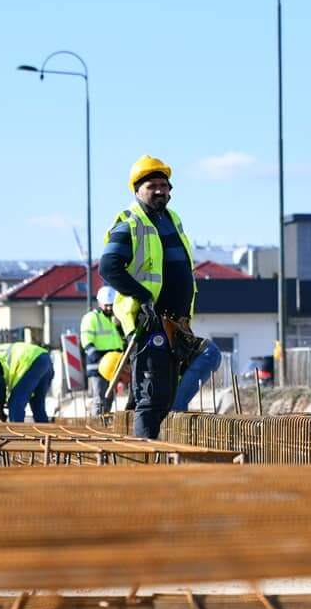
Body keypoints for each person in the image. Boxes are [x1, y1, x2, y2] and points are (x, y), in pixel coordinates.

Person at [100, 155, 221, 438]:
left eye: (164, 186)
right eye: (152, 186)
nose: (159, 191)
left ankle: (165, 435)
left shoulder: (171, 219)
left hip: (175, 323)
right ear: (137, 190)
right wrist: (143, 296)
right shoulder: (130, 222)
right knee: (152, 398)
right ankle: (145, 458)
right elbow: (109, 267)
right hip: (150, 322)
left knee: (203, 360)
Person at [80, 285, 127, 414]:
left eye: (111, 305)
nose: (109, 308)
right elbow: (86, 342)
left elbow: (122, 340)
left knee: (109, 398)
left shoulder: (116, 319)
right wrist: (100, 359)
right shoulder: (91, 318)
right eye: (106, 305)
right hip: (98, 365)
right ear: (100, 303)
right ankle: (97, 421)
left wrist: (119, 327)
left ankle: (104, 421)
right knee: (100, 398)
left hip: (114, 364)